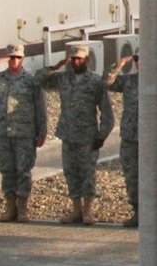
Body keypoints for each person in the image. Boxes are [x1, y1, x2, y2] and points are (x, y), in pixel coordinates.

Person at [40, 42, 114, 225]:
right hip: (68, 134)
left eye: (79, 58)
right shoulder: (64, 78)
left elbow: (107, 112)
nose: (76, 62)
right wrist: (54, 66)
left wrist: (102, 135)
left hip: (88, 136)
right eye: (73, 59)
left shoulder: (95, 81)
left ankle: (88, 211)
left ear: (86, 60)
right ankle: (76, 210)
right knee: (70, 172)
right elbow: (39, 80)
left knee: (87, 174)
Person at [106, 43, 157, 228]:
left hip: (153, 141)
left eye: (143, 59)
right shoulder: (129, 81)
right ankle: (138, 213)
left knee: (156, 178)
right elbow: (106, 82)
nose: (139, 63)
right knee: (132, 177)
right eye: (137, 59)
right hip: (131, 138)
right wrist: (119, 65)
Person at [0, 43, 47, 222]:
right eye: (11, 57)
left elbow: (40, 106)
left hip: (25, 133)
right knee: (6, 170)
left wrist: (42, 131)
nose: (14, 60)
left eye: (17, 57)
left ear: (23, 58)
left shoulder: (31, 80)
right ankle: (10, 206)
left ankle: (22, 207)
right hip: (3, 132)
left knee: (23, 170)